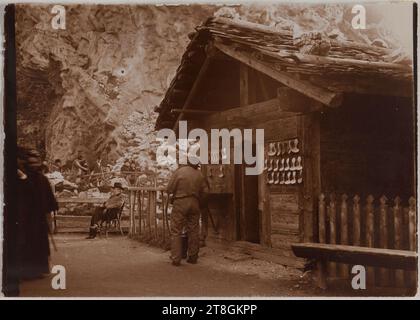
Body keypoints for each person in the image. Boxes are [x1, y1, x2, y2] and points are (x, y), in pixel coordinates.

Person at [17, 147, 58, 280]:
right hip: (26, 218)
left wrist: (48, 215)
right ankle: (27, 271)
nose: (34, 166)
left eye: (36, 163)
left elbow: (49, 200)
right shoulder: (22, 179)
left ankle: (38, 270)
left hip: (38, 218)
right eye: (31, 163)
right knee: (28, 243)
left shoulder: (42, 180)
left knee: (38, 243)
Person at [166, 155, 209, 266]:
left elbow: (169, 189)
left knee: (176, 230)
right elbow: (205, 191)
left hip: (180, 202)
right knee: (194, 230)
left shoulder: (179, 172)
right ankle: (193, 257)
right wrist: (200, 203)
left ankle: (176, 258)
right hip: (194, 203)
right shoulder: (199, 174)